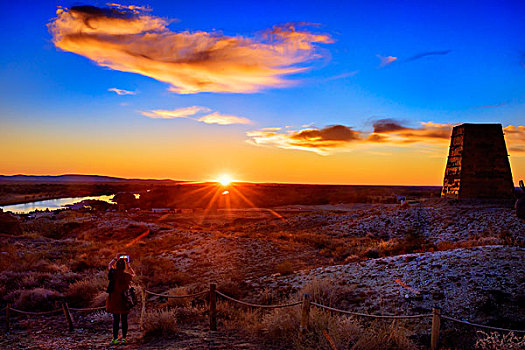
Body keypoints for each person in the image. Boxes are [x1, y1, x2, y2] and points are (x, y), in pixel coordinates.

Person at [106, 253, 135, 345]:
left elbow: (110, 265)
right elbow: (133, 274)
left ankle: (115, 339)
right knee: (124, 319)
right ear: (124, 267)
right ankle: (124, 338)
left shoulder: (113, 273)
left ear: (117, 265)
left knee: (116, 319)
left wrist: (115, 258)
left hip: (114, 299)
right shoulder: (127, 276)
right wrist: (129, 265)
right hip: (124, 299)